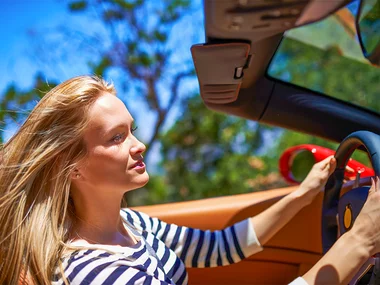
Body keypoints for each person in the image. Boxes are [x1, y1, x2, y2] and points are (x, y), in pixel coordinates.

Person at [0, 75, 379, 285]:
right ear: (72, 166)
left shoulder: (127, 224)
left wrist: (305, 193)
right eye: (117, 137)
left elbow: (221, 247)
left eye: (132, 130)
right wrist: (361, 240)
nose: (140, 144)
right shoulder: (99, 273)